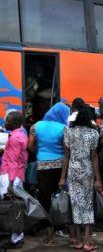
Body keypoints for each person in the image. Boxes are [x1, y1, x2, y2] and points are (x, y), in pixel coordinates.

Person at [59, 106, 101, 250]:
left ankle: (76, 239)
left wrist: (62, 178)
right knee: (88, 203)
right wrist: (98, 179)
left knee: (75, 204)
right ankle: (88, 240)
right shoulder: (93, 133)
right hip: (87, 171)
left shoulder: (69, 132)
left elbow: (66, 156)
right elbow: (94, 157)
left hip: (73, 171)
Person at [27, 102, 70, 246]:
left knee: (45, 199)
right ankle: (62, 228)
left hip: (42, 167)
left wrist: (39, 154)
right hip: (59, 167)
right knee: (59, 200)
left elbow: (30, 146)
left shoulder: (36, 126)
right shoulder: (64, 129)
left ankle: (49, 236)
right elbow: (66, 153)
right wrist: (63, 176)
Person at [0, 111, 28, 248]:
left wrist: (10, 183)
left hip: (11, 176)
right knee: (16, 207)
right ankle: (17, 236)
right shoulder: (20, 135)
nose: (5, 121)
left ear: (15, 122)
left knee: (11, 207)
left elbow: (13, 161)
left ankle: (15, 237)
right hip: (17, 175)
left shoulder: (14, 138)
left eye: (8, 120)